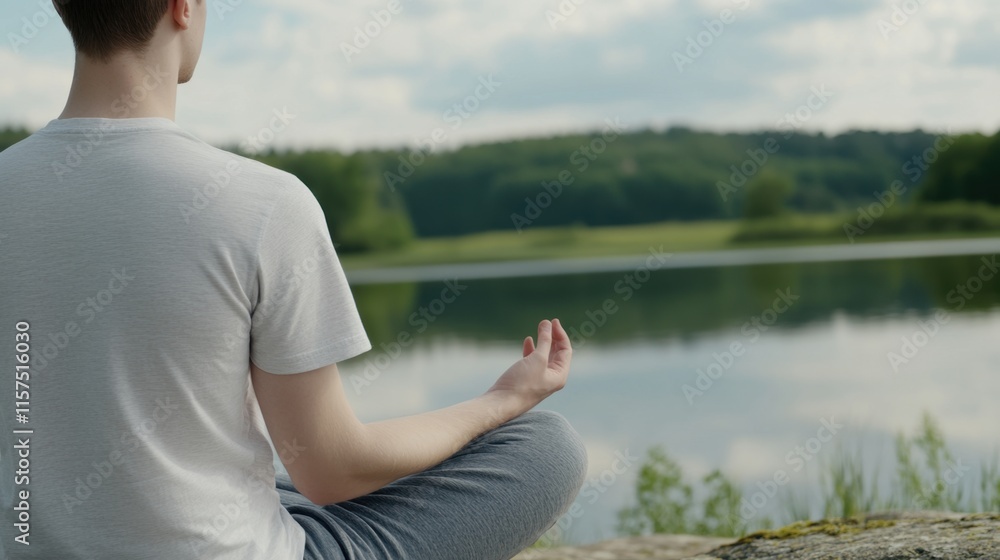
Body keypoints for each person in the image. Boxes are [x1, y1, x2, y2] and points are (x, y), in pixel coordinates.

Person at [0, 1, 588, 559]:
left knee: (252, 473)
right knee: (546, 447)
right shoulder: (262, 203)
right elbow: (334, 470)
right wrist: (504, 399)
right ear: (182, 6)